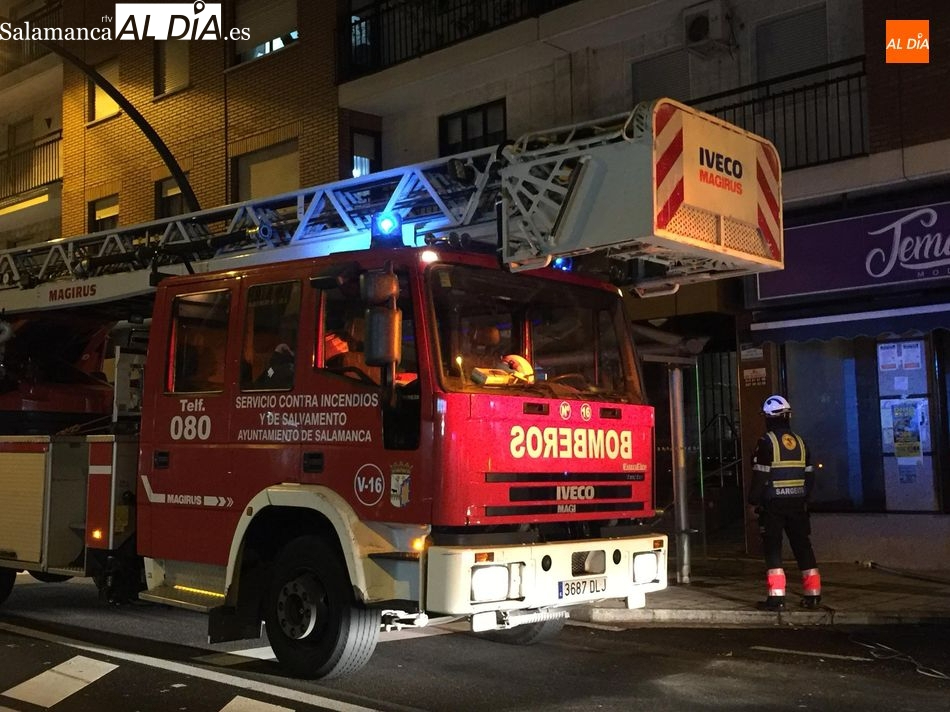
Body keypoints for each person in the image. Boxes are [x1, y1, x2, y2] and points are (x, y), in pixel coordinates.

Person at [748, 394, 822, 611]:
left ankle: (777, 598)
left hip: (773, 505)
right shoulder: (800, 442)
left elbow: (760, 476)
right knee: (803, 547)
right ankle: (813, 594)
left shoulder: (766, 442)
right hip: (797, 504)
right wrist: (804, 498)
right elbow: (810, 475)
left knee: (773, 549)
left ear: (769, 417)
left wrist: (753, 501)